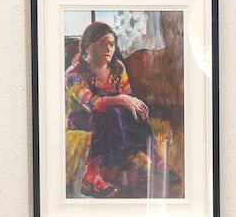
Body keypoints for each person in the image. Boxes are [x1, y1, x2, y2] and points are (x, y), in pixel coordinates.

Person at [66, 22, 177, 199]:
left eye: (111, 44)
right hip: (83, 116)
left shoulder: (118, 67)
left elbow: (127, 95)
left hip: (113, 113)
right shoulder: (74, 73)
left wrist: (131, 103)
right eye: (102, 43)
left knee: (133, 112)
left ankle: (157, 160)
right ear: (88, 45)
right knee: (110, 113)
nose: (108, 48)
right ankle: (91, 176)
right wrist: (122, 100)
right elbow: (92, 103)